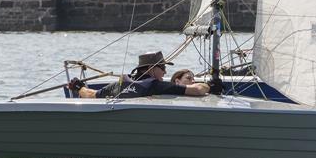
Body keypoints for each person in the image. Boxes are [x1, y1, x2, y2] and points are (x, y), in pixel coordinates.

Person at [70, 51, 222, 99]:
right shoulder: (155, 85)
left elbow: (91, 94)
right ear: (151, 68)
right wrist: (210, 85)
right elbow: (196, 90)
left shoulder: (120, 84)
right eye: (162, 67)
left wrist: (79, 87)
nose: (165, 72)